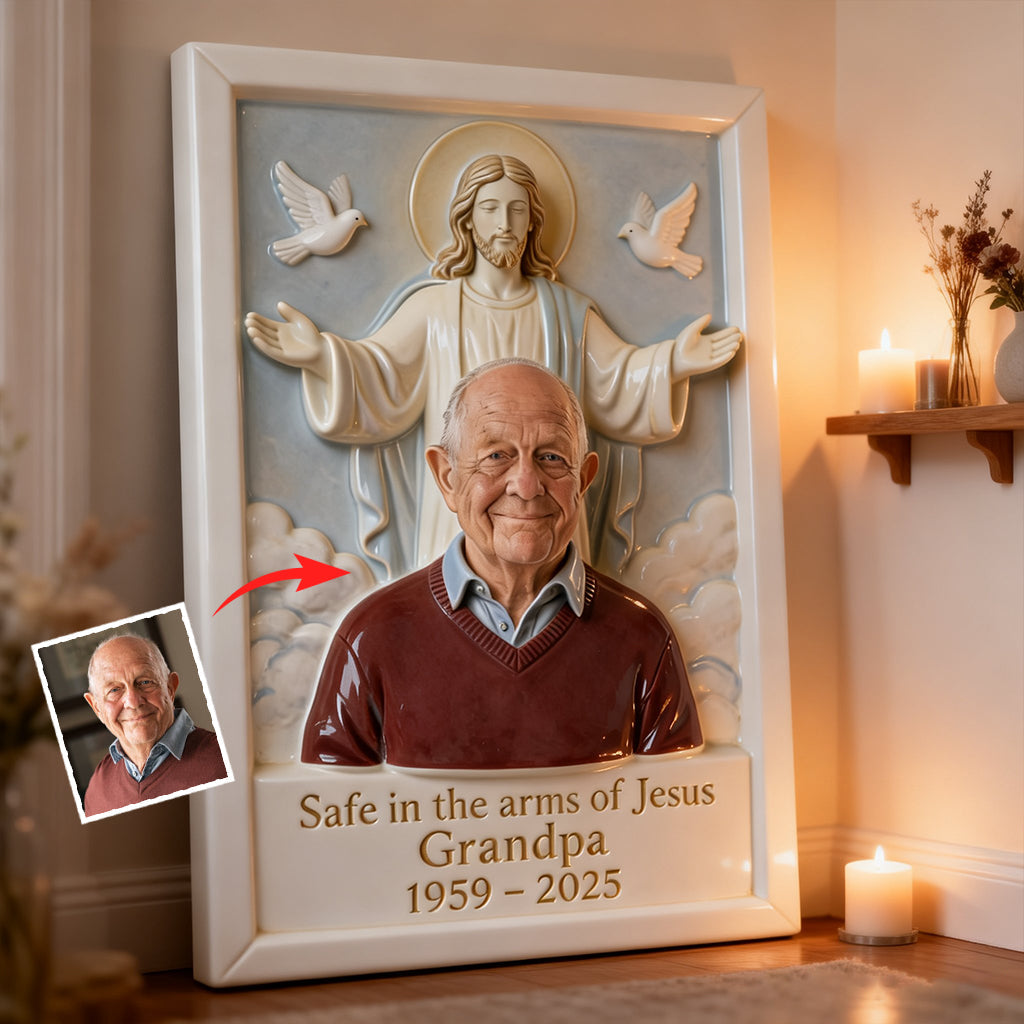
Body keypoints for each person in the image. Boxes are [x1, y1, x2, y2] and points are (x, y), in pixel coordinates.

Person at [246, 153, 741, 577]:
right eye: (490, 208)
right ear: (468, 220)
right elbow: (380, 373)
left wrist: (673, 362)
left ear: (532, 222)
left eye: (516, 209)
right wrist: (324, 356)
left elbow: (615, 381)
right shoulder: (435, 308)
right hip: (463, 508)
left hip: (548, 503)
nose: (504, 222)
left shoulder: (566, 311)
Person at [301, 358, 704, 771]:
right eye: (496, 455)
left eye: (551, 457)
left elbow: (678, 810)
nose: (526, 486)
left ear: (583, 480)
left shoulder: (644, 636)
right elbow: (327, 815)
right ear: (447, 478)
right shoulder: (371, 636)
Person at [82, 635, 227, 815]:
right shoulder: (97, 789)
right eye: (114, 690)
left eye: (145, 682)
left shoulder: (224, 758)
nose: (133, 702)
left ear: (170, 688)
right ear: (96, 707)